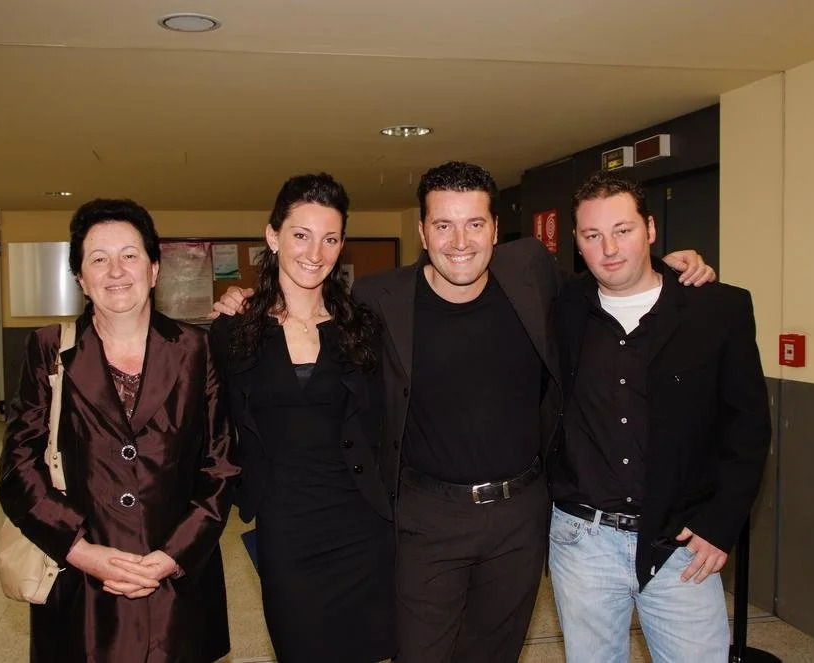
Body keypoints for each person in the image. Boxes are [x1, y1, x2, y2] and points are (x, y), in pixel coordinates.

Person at [215, 161, 713, 663]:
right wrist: (241, 302)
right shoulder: (379, 299)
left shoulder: (531, 271)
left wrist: (664, 269)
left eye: (475, 223)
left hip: (520, 515)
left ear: (495, 228)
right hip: (424, 516)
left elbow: (605, 282)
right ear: (422, 232)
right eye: (443, 225)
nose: (459, 241)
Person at [0, 198, 238, 663]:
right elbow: (18, 467)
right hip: (81, 580)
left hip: (176, 583)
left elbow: (221, 465)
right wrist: (79, 550)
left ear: (153, 269)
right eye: (98, 259)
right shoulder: (48, 349)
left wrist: (173, 555)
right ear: (80, 278)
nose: (116, 272)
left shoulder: (197, 349)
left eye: (130, 255)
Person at [547, 171, 771, 662]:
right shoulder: (562, 308)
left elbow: (748, 428)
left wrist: (721, 523)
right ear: (577, 243)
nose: (609, 248)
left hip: (682, 542)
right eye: (592, 235)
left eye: (623, 230)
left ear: (650, 229)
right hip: (582, 539)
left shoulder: (718, 309)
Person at [208, 173, 395, 663]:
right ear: (273, 237)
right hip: (285, 527)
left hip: (361, 524)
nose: (315, 252)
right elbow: (209, 429)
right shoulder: (233, 331)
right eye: (301, 235)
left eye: (330, 238)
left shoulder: (364, 328)